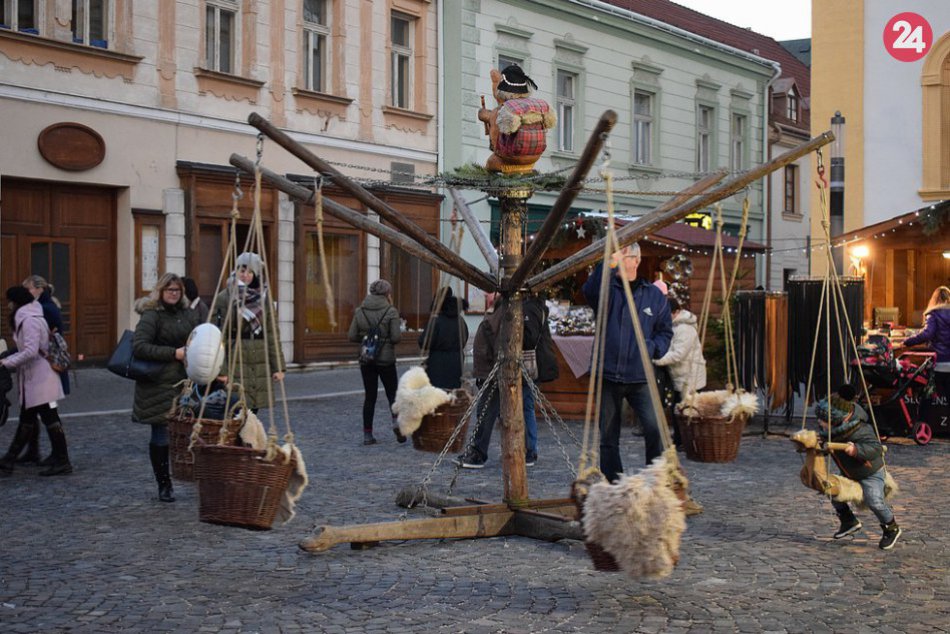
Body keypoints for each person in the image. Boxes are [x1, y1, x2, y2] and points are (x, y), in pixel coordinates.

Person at [582, 242, 673, 482]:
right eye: (619, 257)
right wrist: (609, 261)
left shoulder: (653, 295)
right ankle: (615, 485)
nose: (621, 261)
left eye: (625, 256)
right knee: (608, 438)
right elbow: (589, 290)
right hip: (608, 374)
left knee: (655, 429)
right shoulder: (607, 290)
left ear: (636, 261)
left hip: (640, 375)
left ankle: (655, 480)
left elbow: (665, 332)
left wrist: (653, 348)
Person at [456, 292, 555, 468]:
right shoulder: (508, 308)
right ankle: (521, 451)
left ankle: (523, 451)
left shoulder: (522, 309)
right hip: (500, 368)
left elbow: (518, 338)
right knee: (510, 408)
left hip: (505, 369)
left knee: (517, 408)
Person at [131, 273, 200, 502]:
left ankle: (190, 476)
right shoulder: (152, 315)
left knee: (189, 432)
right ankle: (164, 483)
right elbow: (139, 347)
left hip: (185, 382)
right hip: (158, 384)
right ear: (161, 291)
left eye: (177, 290)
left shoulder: (187, 314)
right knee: (161, 435)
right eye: (169, 289)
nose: (173, 293)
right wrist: (173, 353)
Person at [814, 385, 901, 550]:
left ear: (841, 419)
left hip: (870, 472)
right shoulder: (830, 429)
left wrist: (855, 450)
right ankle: (848, 521)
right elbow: (827, 447)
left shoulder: (861, 429)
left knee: (874, 500)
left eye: (824, 421)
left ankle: (891, 527)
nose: (820, 423)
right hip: (849, 472)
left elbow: (875, 448)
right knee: (830, 488)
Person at [0, 286, 71, 477]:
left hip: (40, 378)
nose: (8, 305)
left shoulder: (28, 320)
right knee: (30, 418)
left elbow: (30, 351)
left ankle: (62, 461)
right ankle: (11, 459)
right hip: (38, 378)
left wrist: (6, 362)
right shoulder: (32, 316)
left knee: (48, 417)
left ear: (15, 302)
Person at [211, 252, 286, 413]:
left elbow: (272, 333)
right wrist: (221, 371)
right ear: (235, 271)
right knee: (235, 410)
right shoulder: (225, 297)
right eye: (242, 270)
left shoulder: (264, 297)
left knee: (253, 411)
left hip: (259, 359)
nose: (245, 275)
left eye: (250, 272)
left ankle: (249, 439)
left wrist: (278, 367)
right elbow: (216, 336)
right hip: (235, 359)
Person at [17, 275, 69, 465]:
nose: (26, 293)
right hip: (39, 371)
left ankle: (60, 456)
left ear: (39, 288)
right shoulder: (41, 307)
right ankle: (33, 450)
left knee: (49, 413)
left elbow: (38, 342)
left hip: (47, 371)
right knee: (31, 412)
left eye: (28, 288)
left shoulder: (44, 309)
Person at [348, 279, 402, 445]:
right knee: (392, 394)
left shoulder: (360, 310)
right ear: (387, 293)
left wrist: (367, 337)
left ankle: (367, 435)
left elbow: (351, 336)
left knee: (369, 396)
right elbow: (395, 338)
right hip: (386, 359)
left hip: (367, 358)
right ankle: (397, 425)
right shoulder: (390, 311)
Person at [654, 295, 707, 449]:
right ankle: (680, 440)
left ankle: (687, 442)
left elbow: (678, 354)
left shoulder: (684, 329)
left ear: (676, 312)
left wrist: (657, 361)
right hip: (679, 376)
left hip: (690, 377)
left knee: (687, 411)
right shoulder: (673, 326)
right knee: (677, 409)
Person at [898, 286, 950, 420]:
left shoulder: (933, 314)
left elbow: (928, 333)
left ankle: (921, 425)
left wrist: (907, 341)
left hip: (938, 363)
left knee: (927, 395)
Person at [418, 287, 469, 390]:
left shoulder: (436, 320)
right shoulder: (461, 321)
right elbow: (464, 338)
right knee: (452, 393)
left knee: (438, 395)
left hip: (437, 362)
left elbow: (424, 342)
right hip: (456, 361)